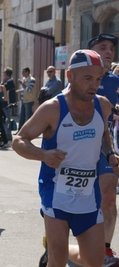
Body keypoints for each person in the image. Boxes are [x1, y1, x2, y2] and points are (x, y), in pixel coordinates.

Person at [13, 49, 119, 267]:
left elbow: (103, 136)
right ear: (70, 76)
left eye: (98, 79)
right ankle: (54, 251)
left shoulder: (103, 105)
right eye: (88, 78)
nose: (94, 85)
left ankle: (54, 248)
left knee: (95, 262)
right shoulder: (52, 109)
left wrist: (110, 154)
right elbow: (19, 140)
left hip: (89, 193)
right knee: (58, 260)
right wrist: (43, 154)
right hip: (55, 190)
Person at [88, 33, 119, 266]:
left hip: (105, 147)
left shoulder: (116, 83)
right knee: (79, 197)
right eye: (103, 47)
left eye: (112, 48)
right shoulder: (79, 78)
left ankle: (105, 250)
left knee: (108, 195)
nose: (109, 51)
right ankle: (56, 237)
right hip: (78, 146)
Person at [16, 67, 36, 131]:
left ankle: (28, 131)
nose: (22, 73)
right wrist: (20, 91)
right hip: (23, 100)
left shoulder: (32, 80)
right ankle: (20, 130)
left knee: (28, 117)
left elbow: (28, 89)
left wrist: (22, 83)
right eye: (22, 72)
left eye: (24, 72)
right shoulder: (24, 79)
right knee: (21, 116)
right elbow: (24, 89)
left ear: (28, 72)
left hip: (29, 101)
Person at [1, 67, 16, 140]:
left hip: (8, 104)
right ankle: (7, 133)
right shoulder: (8, 82)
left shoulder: (9, 82)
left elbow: (1, 88)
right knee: (6, 119)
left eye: (4, 73)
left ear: (6, 74)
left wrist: (2, 82)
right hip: (7, 104)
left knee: (7, 119)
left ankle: (8, 134)